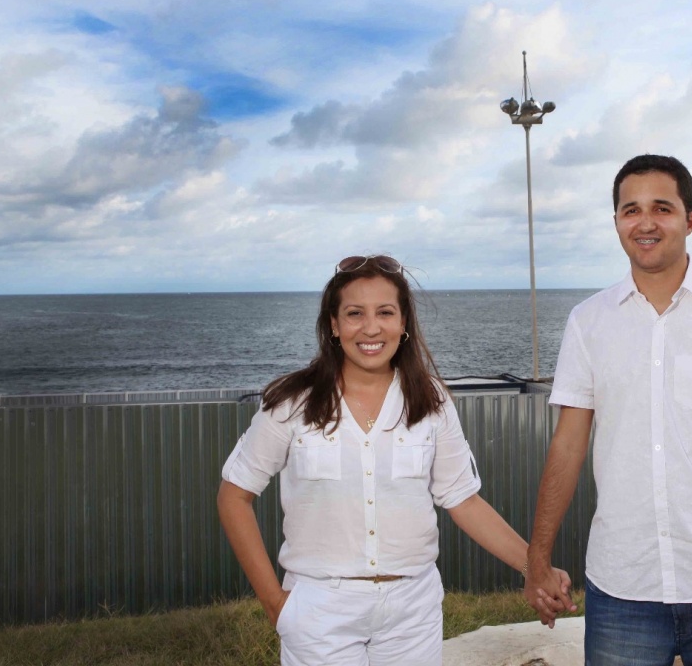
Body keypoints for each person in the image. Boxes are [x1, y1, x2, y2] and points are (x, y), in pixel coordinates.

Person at [218, 255, 566, 666]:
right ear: (333, 324)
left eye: (385, 312)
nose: (370, 328)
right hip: (320, 611)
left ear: (403, 323)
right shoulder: (290, 403)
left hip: (411, 612)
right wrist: (277, 605)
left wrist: (534, 567)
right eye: (354, 313)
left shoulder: (432, 402)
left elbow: (463, 500)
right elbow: (233, 496)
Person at [522, 155, 692, 666]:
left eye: (662, 208)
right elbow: (566, 446)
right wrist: (536, 561)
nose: (645, 222)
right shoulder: (588, 322)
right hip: (621, 588)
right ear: (616, 223)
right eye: (631, 210)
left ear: (690, 220)